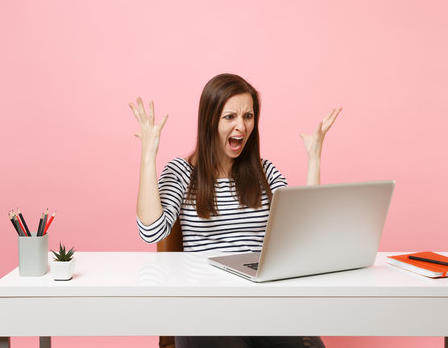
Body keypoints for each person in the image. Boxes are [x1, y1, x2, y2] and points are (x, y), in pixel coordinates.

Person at [130, 73, 340, 348]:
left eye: (248, 116)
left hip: (267, 308)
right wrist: (148, 154)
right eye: (230, 117)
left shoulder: (265, 172)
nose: (241, 126)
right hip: (206, 309)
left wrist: (314, 158)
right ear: (210, 122)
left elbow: (304, 232)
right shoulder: (182, 172)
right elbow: (151, 231)